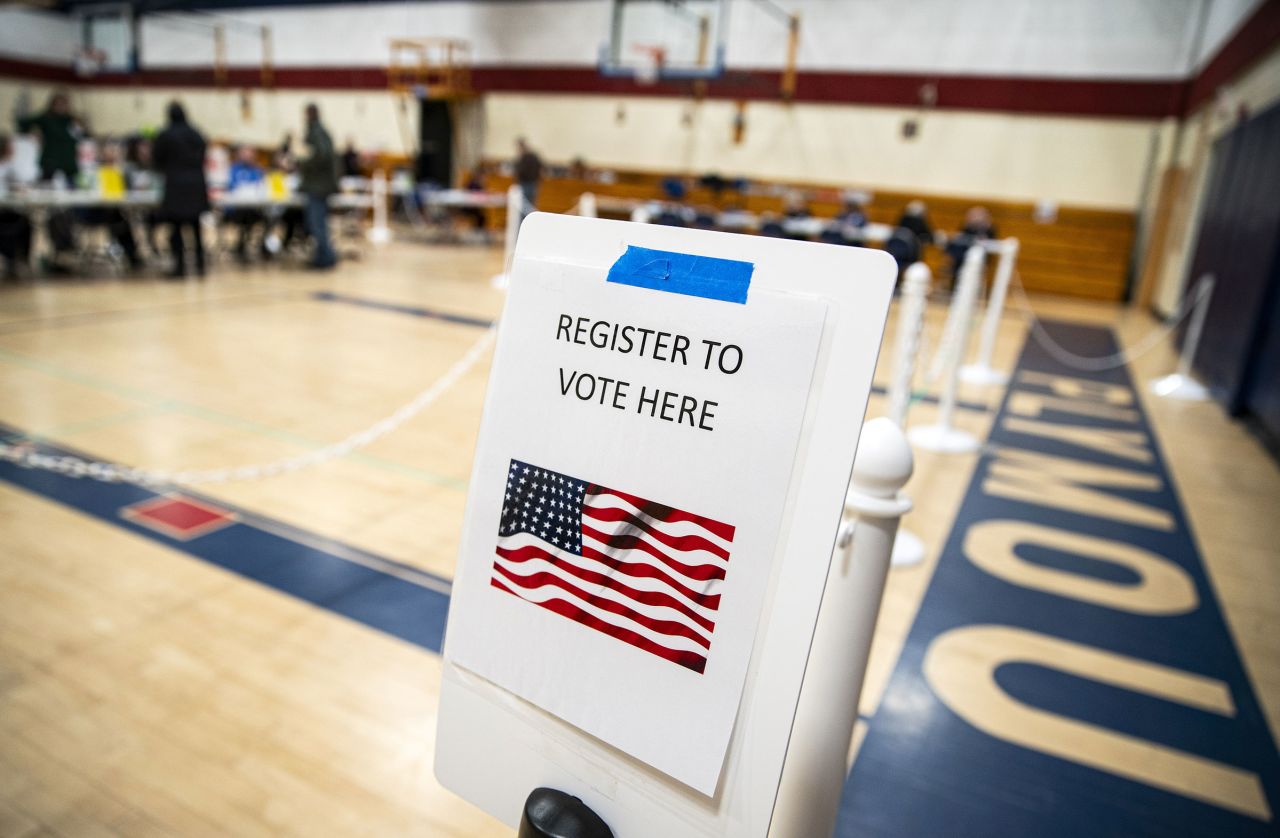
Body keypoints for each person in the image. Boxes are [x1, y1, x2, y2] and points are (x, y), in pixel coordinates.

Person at [152, 102, 210, 279]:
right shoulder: (195, 133)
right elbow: (203, 153)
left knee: (176, 227)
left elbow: (157, 159)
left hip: (175, 184)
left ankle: (179, 267)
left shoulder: (165, 134)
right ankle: (200, 265)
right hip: (196, 183)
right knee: (196, 226)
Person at [299, 103, 338, 269]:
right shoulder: (321, 131)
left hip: (317, 186)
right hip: (321, 185)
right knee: (319, 223)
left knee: (317, 223)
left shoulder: (317, 133)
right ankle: (323, 255)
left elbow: (321, 156)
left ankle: (325, 257)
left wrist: (303, 162)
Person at [15, 91, 79, 183]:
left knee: (72, 183)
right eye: (58, 104)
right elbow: (24, 124)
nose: (60, 107)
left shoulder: (71, 120)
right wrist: (32, 133)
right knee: (46, 183)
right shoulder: (46, 118)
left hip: (68, 158)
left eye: (63, 104)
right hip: (50, 157)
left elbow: (82, 135)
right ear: (52, 105)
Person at [225, 144, 267, 263]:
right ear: (239, 154)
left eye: (251, 152)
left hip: (253, 208)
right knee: (244, 215)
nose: (248, 155)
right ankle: (240, 245)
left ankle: (262, 246)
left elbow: (261, 187)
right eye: (245, 152)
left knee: (265, 217)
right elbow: (230, 187)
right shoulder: (233, 169)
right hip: (236, 209)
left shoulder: (258, 170)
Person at [0, 135, 33, 280]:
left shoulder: (12, 165)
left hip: (12, 209)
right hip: (4, 210)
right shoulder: (6, 167)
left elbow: (23, 184)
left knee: (25, 222)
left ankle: (19, 260)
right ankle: (12, 259)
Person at [514, 137, 542, 216]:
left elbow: (520, 172)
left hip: (525, 184)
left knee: (523, 207)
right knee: (530, 206)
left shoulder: (524, 157)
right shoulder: (534, 156)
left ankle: (522, 225)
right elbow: (540, 169)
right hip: (533, 184)